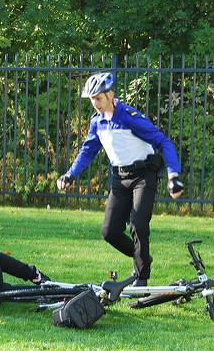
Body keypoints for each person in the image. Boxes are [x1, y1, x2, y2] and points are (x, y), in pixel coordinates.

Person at [56, 72, 183, 287]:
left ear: (110, 94)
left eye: (98, 98)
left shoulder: (128, 116)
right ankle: (143, 257)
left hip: (143, 176)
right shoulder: (97, 123)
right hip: (120, 178)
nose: (95, 103)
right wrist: (70, 174)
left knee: (138, 224)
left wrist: (173, 175)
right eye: (92, 99)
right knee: (109, 231)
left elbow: (164, 142)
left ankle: (141, 277)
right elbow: (88, 151)